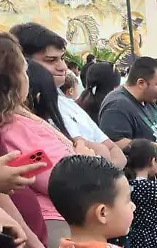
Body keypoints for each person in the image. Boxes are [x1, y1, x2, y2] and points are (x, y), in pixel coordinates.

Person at [0, 34, 89, 248]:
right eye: (25, 71)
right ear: (12, 78)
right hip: (50, 229)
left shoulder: (15, 119)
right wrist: (86, 160)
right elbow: (58, 178)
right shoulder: (13, 126)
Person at [11, 23, 124, 166]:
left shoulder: (69, 103)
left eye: (62, 58)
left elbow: (113, 149)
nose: (63, 67)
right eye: (51, 60)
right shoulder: (22, 116)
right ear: (23, 63)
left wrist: (110, 176)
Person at [98, 57, 157, 181]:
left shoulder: (148, 98)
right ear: (141, 83)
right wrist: (155, 147)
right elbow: (113, 143)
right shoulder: (117, 105)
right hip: (141, 191)